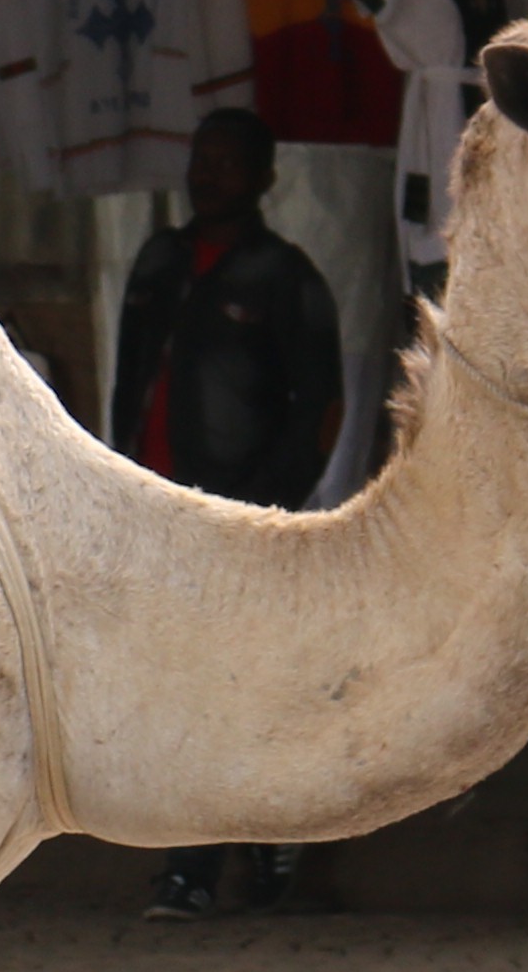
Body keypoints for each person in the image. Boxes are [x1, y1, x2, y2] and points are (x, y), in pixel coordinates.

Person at [105, 107, 347, 917]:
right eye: (199, 157)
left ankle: (212, 863)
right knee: (177, 689)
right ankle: (218, 855)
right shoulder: (158, 261)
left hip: (236, 518)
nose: (206, 173)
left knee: (232, 687)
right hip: (156, 513)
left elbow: (322, 406)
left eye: (226, 161)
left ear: (265, 177)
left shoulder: (285, 276)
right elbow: (126, 380)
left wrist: (269, 508)